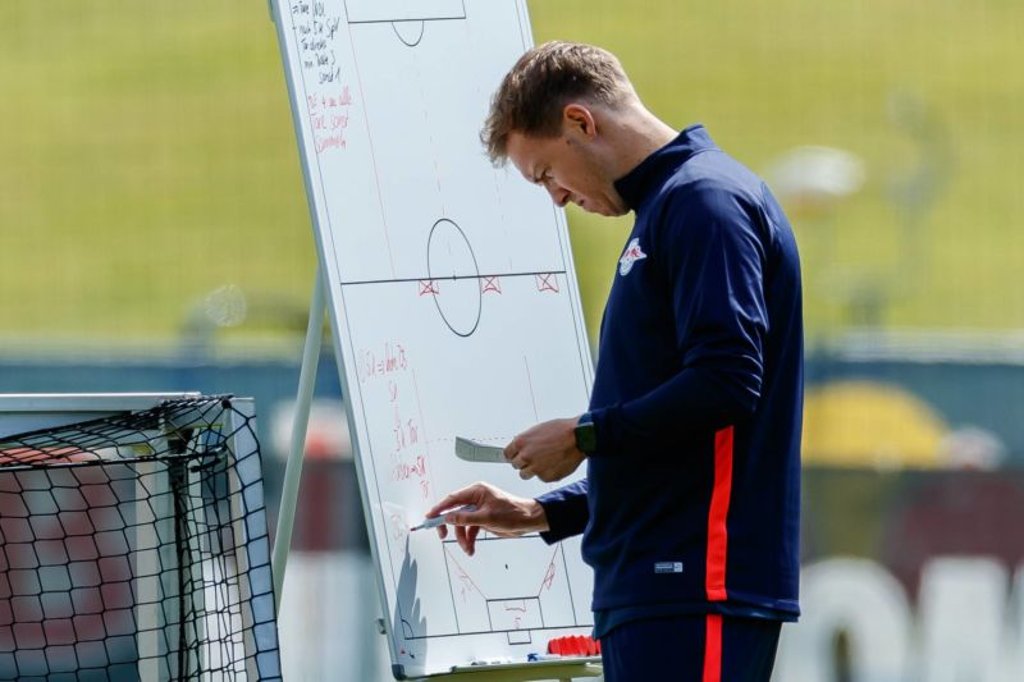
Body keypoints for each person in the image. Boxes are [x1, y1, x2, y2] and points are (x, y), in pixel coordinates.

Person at [426, 41, 803, 682]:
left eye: (545, 173)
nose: (556, 198)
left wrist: (583, 436)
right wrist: (544, 512)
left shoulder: (704, 202)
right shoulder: (669, 207)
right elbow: (669, 443)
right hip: (658, 591)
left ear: (580, 123)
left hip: (696, 586)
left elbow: (727, 381)